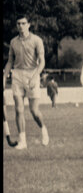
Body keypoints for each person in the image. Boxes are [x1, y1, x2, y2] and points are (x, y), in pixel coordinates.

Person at [3, 15, 50, 150]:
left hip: (32, 74)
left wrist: (36, 76)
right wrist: (4, 76)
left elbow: (42, 62)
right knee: (19, 110)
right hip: (17, 75)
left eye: (23, 23)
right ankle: (22, 141)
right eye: (18, 23)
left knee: (34, 111)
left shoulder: (37, 40)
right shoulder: (13, 42)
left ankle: (43, 130)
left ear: (29, 24)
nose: (21, 26)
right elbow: (10, 61)